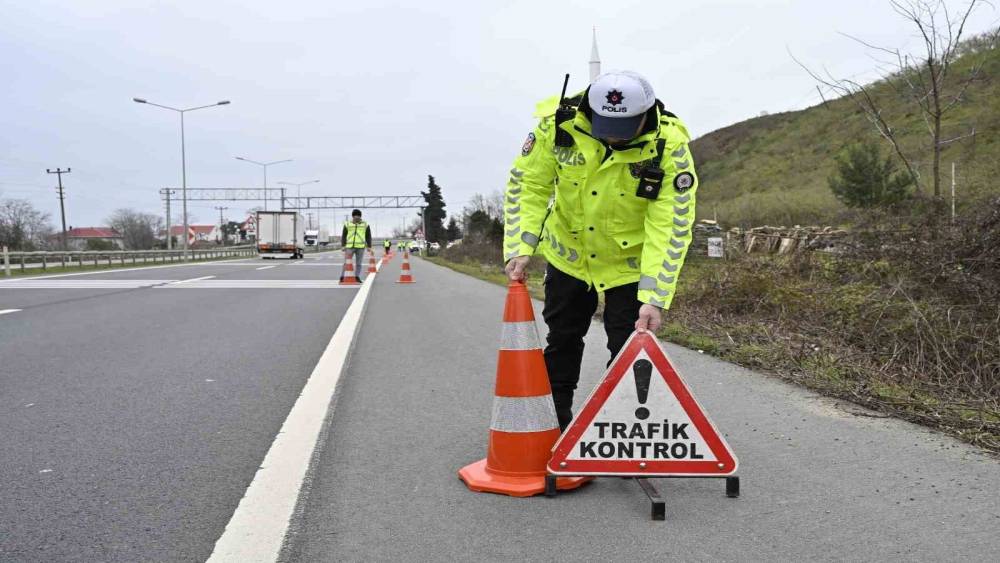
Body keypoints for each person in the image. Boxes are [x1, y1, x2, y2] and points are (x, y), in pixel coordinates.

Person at [503, 70, 698, 431]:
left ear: (646, 114)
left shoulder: (668, 146)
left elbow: (670, 225)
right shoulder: (557, 127)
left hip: (628, 265)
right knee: (562, 338)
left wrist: (654, 298)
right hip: (569, 257)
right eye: (605, 124)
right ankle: (555, 423)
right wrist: (521, 246)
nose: (611, 135)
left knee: (627, 346)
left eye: (624, 127)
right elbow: (528, 185)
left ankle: (620, 430)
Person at [341, 209, 372, 281]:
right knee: (346, 262)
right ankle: (342, 277)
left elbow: (368, 236)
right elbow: (344, 235)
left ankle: (357, 277)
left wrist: (369, 246)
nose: (357, 218)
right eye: (355, 216)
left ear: (360, 217)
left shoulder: (365, 224)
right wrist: (343, 245)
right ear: (353, 216)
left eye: (358, 216)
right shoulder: (347, 224)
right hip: (349, 247)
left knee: (359, 263)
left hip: (360, 247)